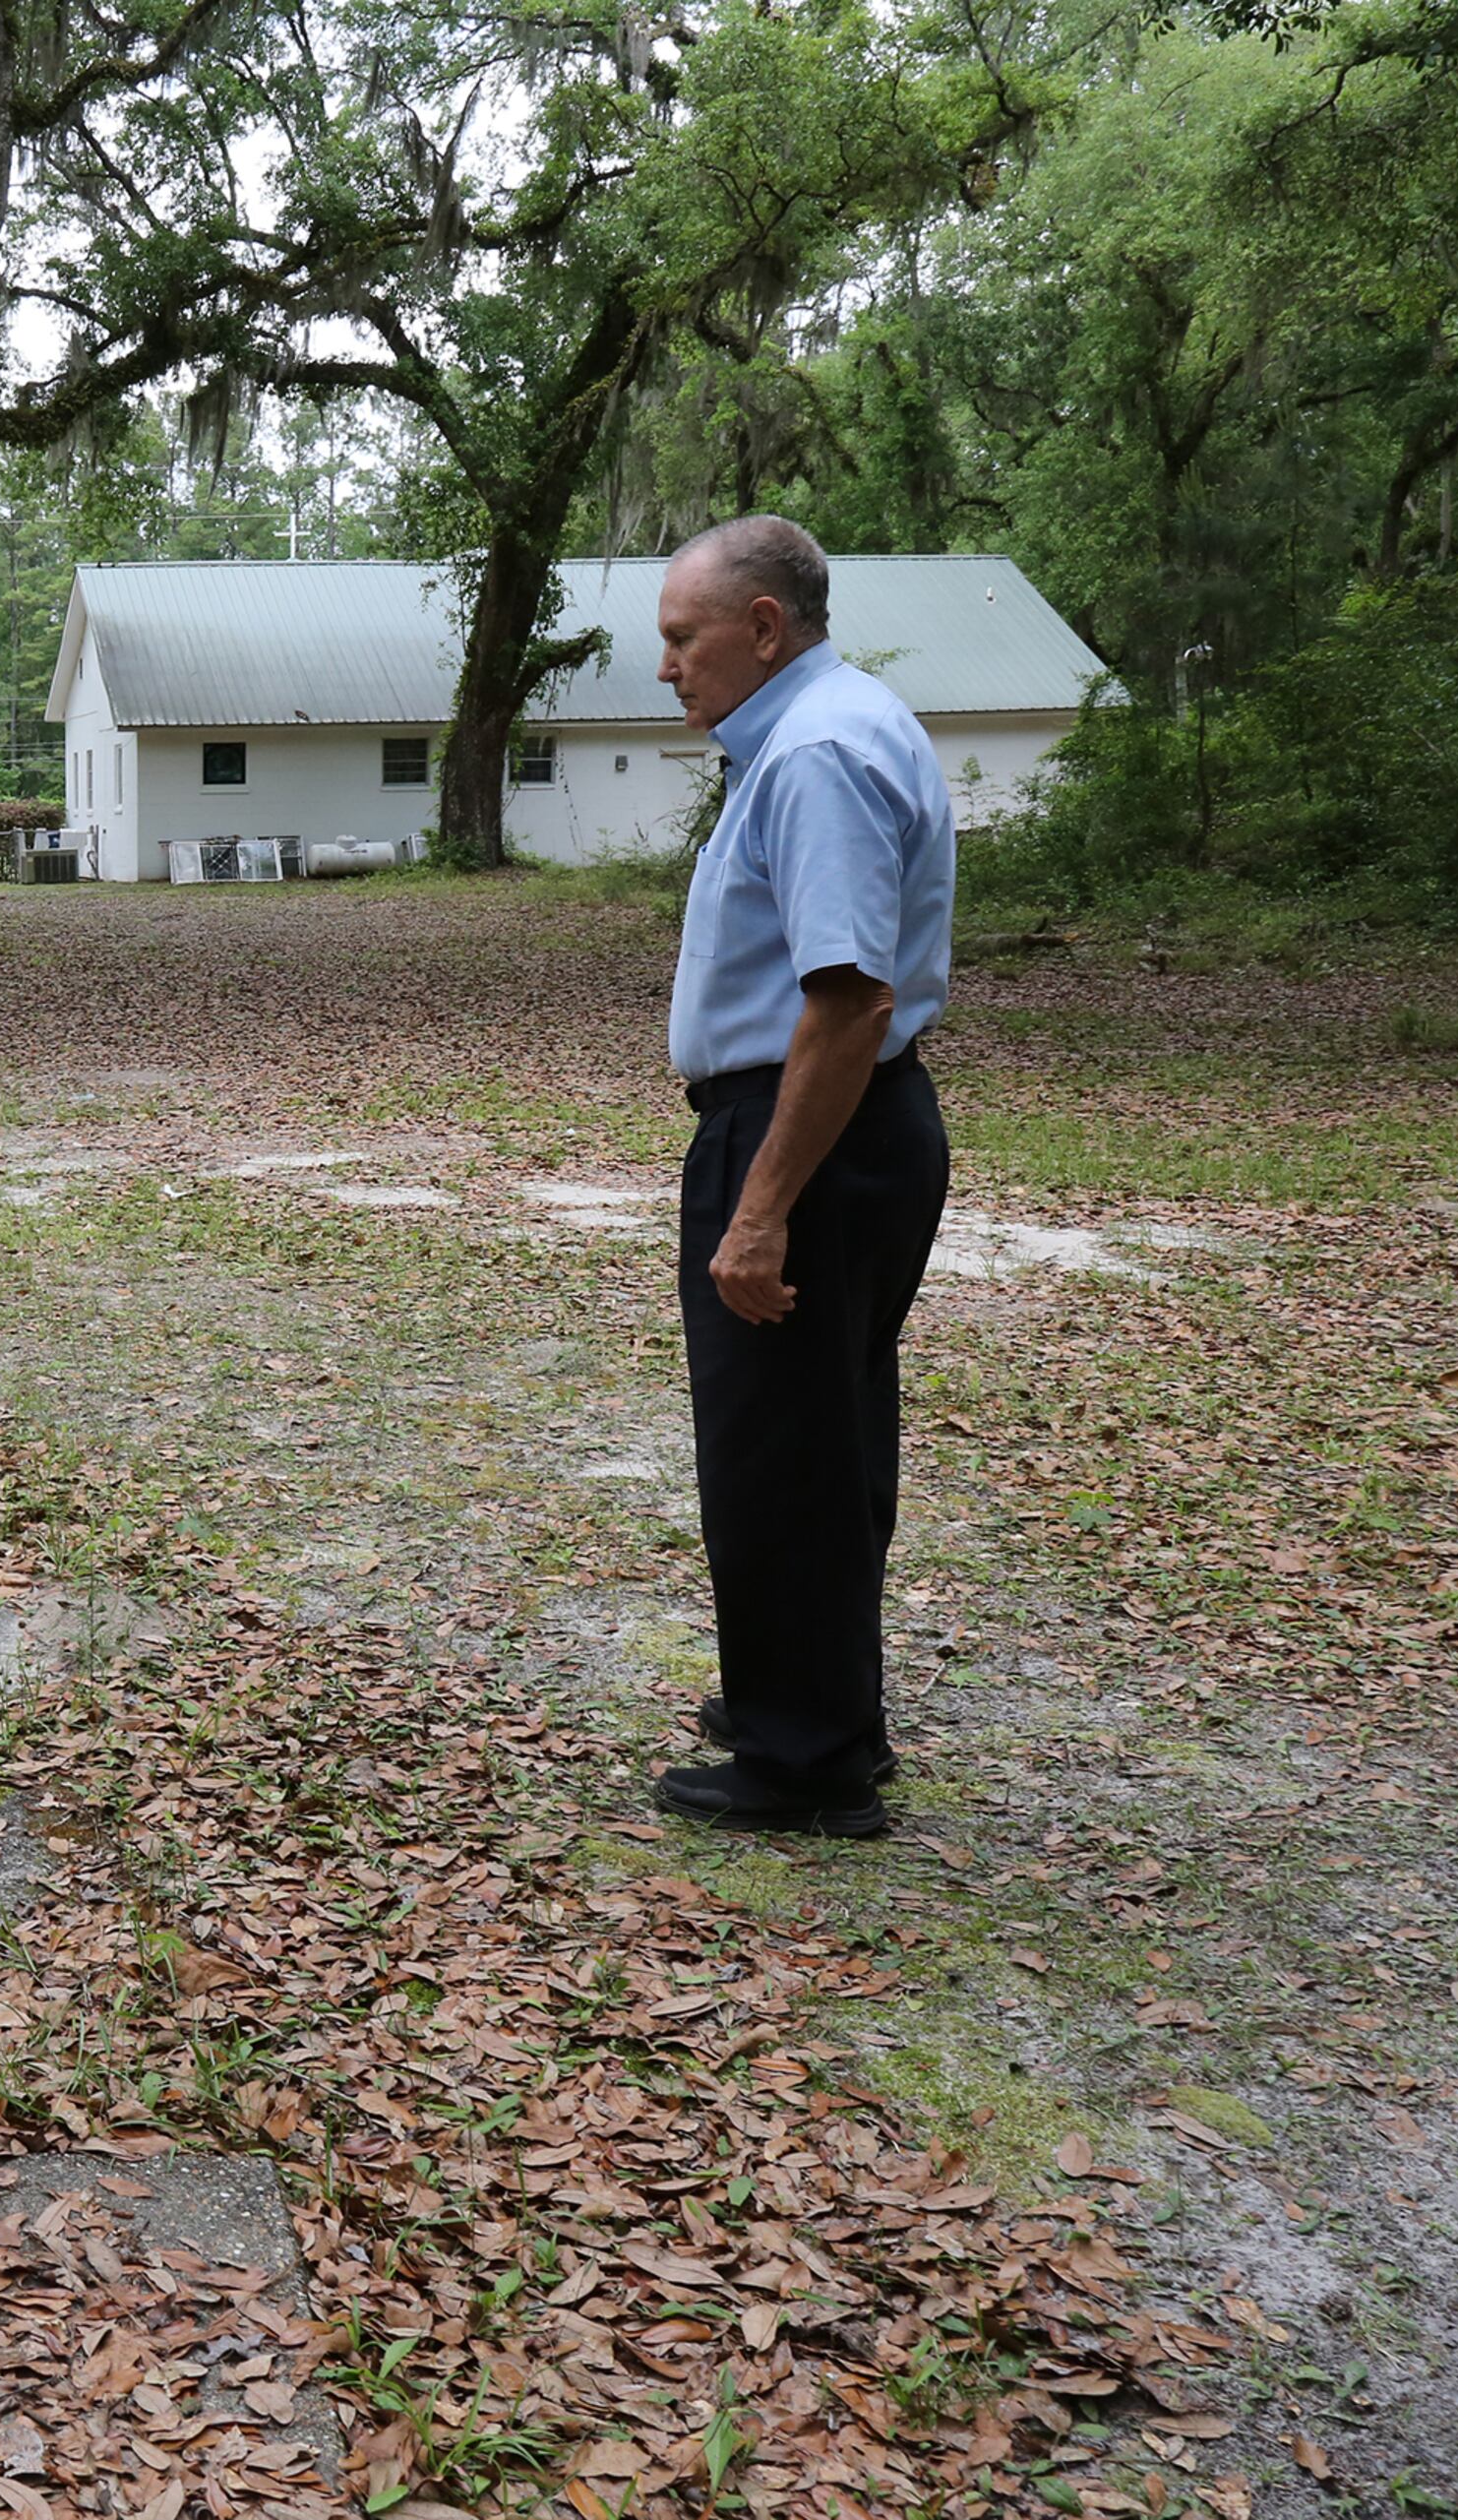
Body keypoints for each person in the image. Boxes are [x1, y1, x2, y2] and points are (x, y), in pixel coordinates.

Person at [649, 517, 954, 1839]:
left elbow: (845, 997)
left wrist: (761, 1205)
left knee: (780, 1446)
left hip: (808, 1129)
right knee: (819, 1438)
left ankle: (807, 1758)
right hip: (839, 1126)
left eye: (681, 637)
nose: (667, 667)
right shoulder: (826, 726)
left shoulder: (819, 752)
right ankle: (812, 1699)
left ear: (763, 626)